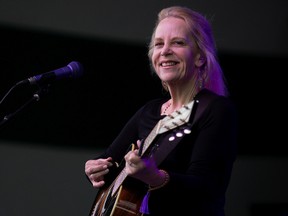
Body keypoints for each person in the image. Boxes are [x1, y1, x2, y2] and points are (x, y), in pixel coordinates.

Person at [85, 5, 238, 216]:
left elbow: (208, 188)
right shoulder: (150, 111)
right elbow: (109, 162)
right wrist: (95, 170)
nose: (165, 51)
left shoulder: (216, 110)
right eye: (159, 44)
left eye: (178, 42)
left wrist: (154, 177)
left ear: (200, 57)